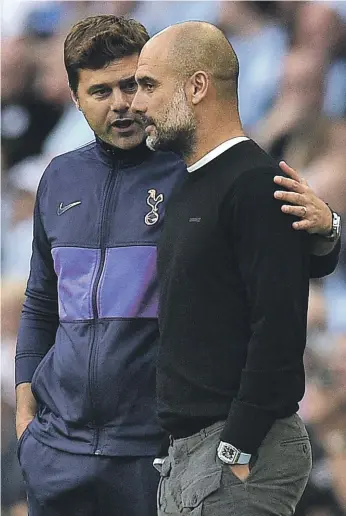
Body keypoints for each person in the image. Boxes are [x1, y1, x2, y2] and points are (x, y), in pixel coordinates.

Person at [15, 15, 341, 516]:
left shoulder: (197, 168)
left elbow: (271, 281)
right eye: (102, 91)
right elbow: (40, 302)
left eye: (137, 84)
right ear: (74, 98)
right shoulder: (59, 178)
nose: (126, 104)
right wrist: (25, 416)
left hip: (159, 449)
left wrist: (328, 230)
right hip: (60, 452)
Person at [131, 21, 342, 516]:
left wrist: (238, 446)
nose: (137, 104)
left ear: (198, 86)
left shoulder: (255, 183)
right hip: (187, 454)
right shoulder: (187, 184)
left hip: (238, 449)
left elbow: (280, 323)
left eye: (148, 85)